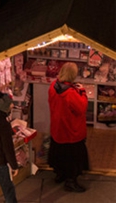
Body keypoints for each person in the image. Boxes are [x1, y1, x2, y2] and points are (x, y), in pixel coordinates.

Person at [49, 61, 89, 193]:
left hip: (57, 128)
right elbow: (81, 108)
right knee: (73, 158)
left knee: (59, 154)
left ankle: (60, 174)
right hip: (71, 131)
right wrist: (82, 91)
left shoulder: (53, 86)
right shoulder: (71, 93)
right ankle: (71, 181)